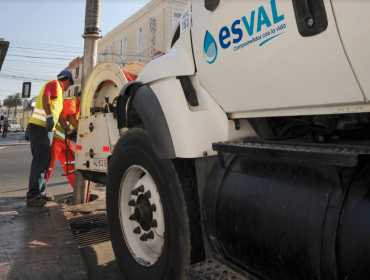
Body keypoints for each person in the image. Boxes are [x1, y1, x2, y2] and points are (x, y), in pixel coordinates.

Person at [27, 70, 74, 207]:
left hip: (46, 130)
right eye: (69, 84)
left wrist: (68, 131)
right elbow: (45, 98)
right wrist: (48, 117)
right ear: (67, 80)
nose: (67, 88)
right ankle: (33, 196)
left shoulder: (59, 94)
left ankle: (40, 192)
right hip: (40, 128)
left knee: (44, 163)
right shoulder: (55, 84)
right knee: (39, 163)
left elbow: (59, 116)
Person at [46, 91, 81, 187]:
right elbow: (70, 116)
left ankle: (77, 189)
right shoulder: (71, 101)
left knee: (73, 164)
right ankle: (37, 193)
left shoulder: (79, 107)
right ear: (80, 96)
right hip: (55, 139)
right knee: (48, 166)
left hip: (65, 140)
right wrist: (78, 131)